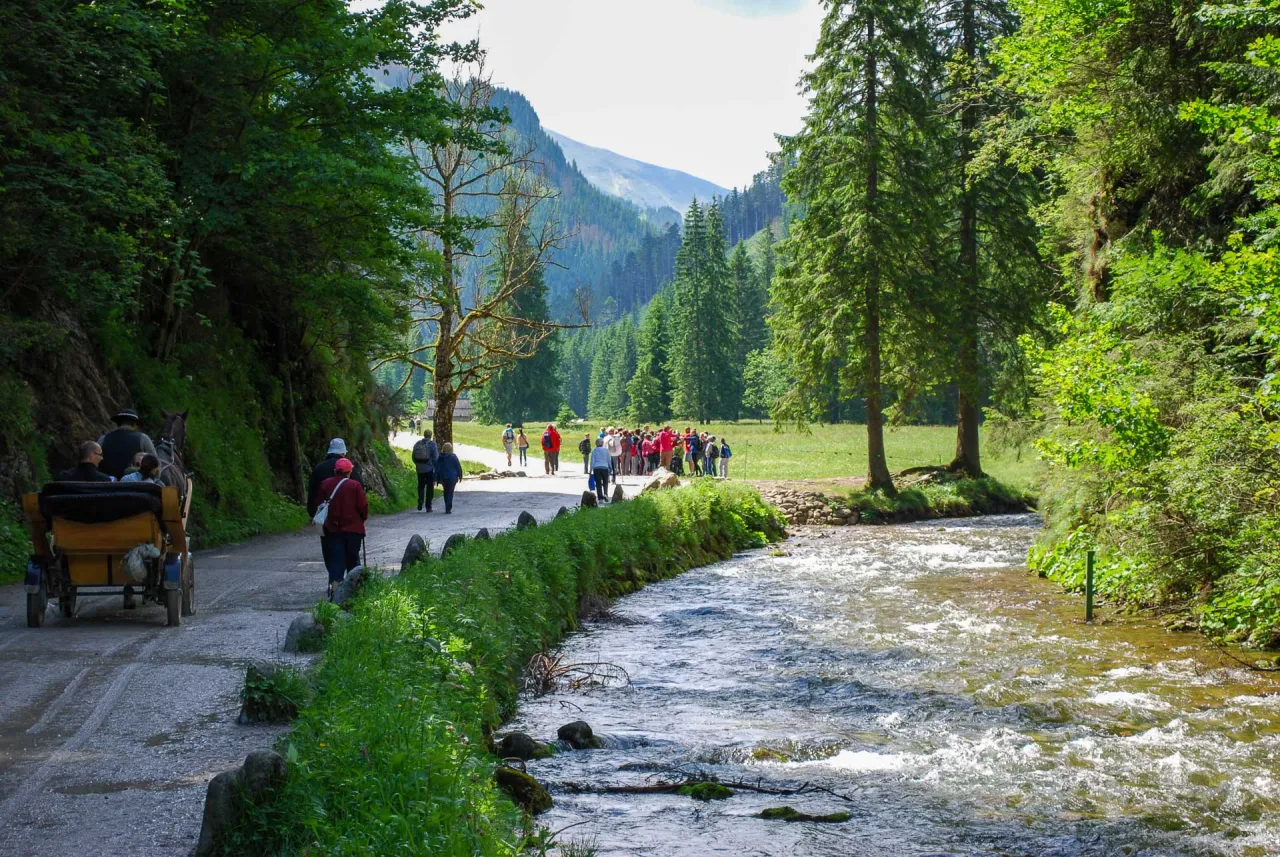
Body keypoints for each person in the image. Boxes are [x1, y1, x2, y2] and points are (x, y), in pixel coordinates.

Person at [317, 458, 368, 600]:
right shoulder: (355, 486)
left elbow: (319, 504)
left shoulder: (325, 484)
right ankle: (354, 594)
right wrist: (361, 520)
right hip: (353, 531)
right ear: (349, 472)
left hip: (332, 530)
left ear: (335, 471)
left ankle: (335, 593)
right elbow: (363, 507)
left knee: (336, 563)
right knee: (352, 561)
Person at [307, 438, 365, 518]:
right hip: (346, 513)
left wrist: (313, 512)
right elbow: (360, 489)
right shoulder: (350, 468)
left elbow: (312, 491)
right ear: (343, 453)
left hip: (324, 513)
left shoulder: (319, 468)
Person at [98, 409, 157, 480]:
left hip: (106, 487)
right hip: (136, 487)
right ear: (135, 424)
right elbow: (156, 466)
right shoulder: (143, 438)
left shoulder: (103, 439)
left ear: (118, 423)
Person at [411, 429, 439, 512]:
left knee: (421, 486)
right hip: (429, 469)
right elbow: (435, 458)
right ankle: (428, 506)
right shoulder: (432, 444)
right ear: (430, 435)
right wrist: (435, 467)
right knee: (430, 487)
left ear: (424, 435)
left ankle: (420, 500)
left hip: (419, 469)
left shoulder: (418, 443)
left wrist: (417, 464)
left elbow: (413, 457)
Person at [435, 442, 463, 513]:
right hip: (452, 477)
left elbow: (437, 468)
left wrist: (435, 478)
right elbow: (458, 467)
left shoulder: (440, 457)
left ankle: (447, 505)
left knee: (445, 491)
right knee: (450, 492)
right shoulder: (454, 457)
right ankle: (448, 507)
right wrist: (460, 475)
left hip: (444, 477)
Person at [589, 437, 611, 502]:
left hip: (597, 468)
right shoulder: (606, 450)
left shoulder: (594, 451)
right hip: (605, 467)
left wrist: (590, 470)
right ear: (602, 443)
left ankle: (600, 498)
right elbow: (608, 459)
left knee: (598, 483)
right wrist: (610, 467)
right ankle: (605, 494)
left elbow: (592, 461)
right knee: (605, 482)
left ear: (596, 444)